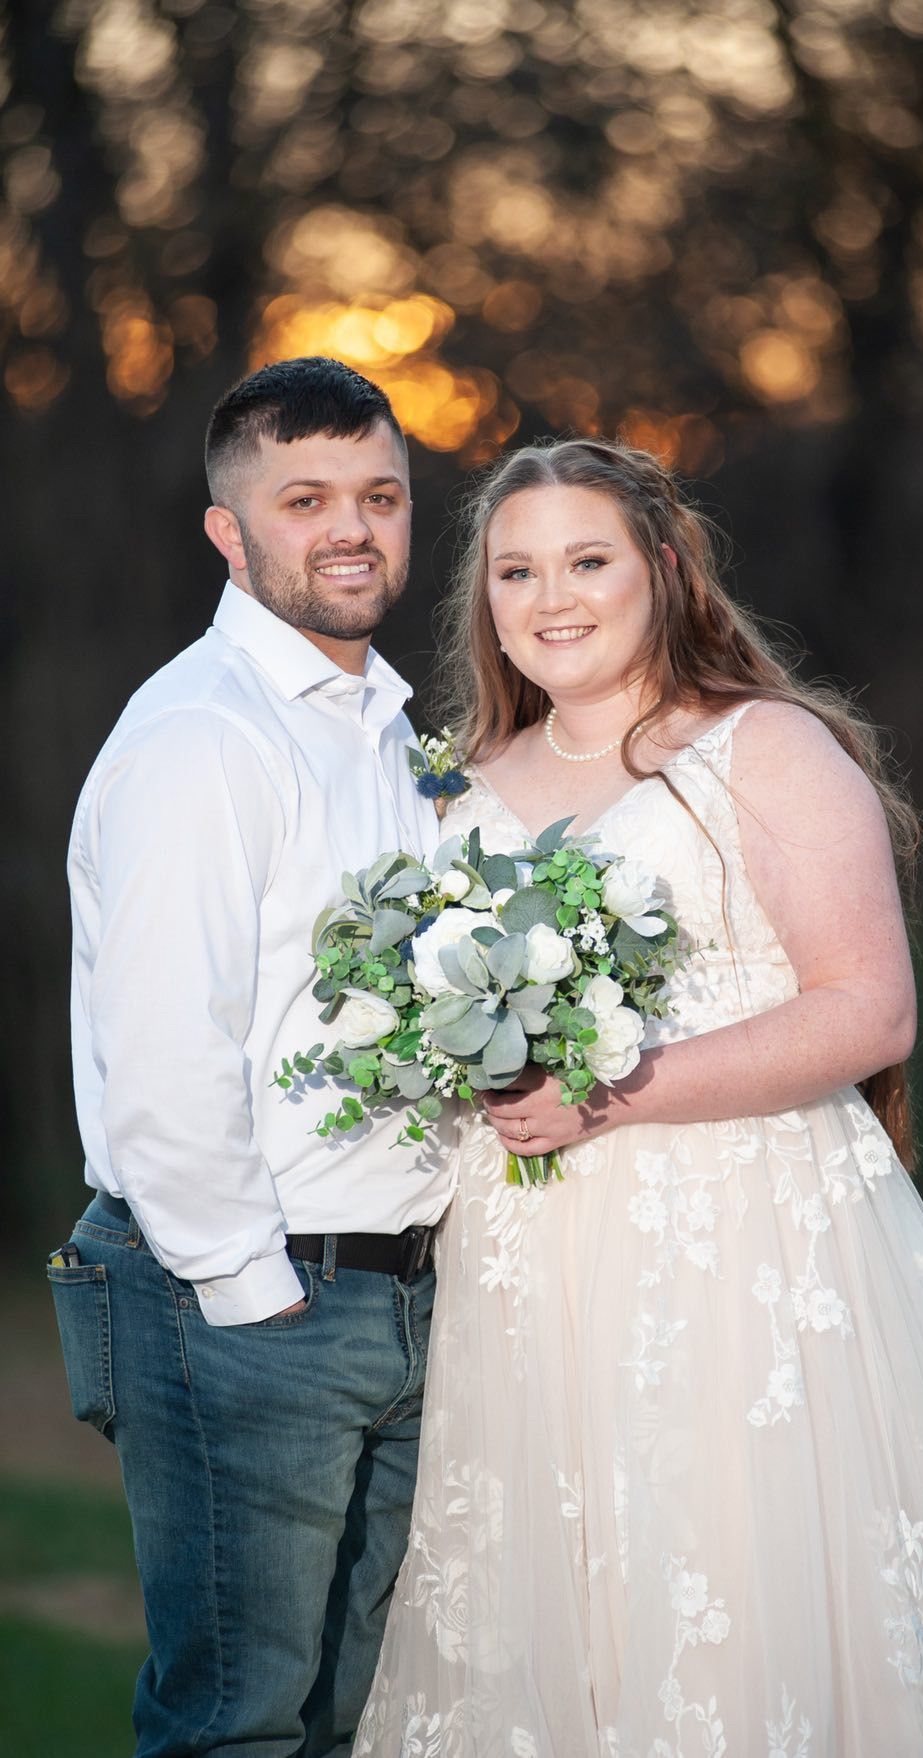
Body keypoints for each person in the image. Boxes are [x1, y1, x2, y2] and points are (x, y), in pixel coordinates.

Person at [357, 437, 923, 1756]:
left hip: (731, 1240)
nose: (550, 598)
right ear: (482, 598)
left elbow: (867, 1009)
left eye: (585, 561)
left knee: (727, 1578)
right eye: (516, 570)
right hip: (523, 1258)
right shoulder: (454, 783)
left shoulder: (756, 747)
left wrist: (614, 1092)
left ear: (663, 570)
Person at [52, 356, 454, 1757]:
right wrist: (248, 1292)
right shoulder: (204, 737)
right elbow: (164, 1055)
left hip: (397, 1292)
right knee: (239, 1727)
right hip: (252, 1294)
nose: (353, 526)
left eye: (380, 495)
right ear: (230, 532)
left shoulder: (397, 733)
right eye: (306, 498)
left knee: (351, 1717)